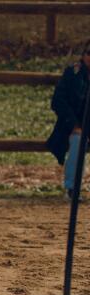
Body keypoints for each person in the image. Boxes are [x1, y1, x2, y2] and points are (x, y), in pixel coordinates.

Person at [46, 38, 90, 199]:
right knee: (78, 141)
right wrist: (74, 125)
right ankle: (72, 188)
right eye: (89, 53)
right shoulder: (72, 74)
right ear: (84, 55)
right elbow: (58, 102)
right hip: (75, 125)